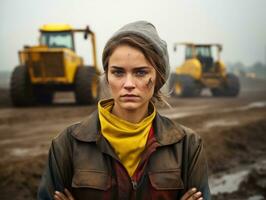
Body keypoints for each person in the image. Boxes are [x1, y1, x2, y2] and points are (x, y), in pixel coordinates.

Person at [38, 21, 211, 200]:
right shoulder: (67, 144)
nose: (128, 84)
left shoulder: (187, 146)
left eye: (141, 72)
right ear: (107, 76)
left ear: (158, 77)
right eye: (118, 73)